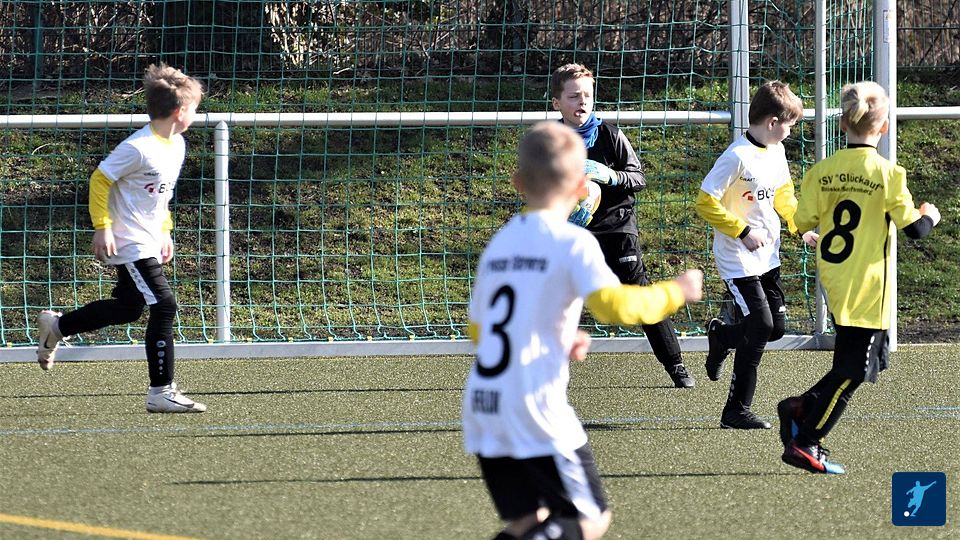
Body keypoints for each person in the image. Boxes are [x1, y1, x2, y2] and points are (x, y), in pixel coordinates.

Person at [462, 121, 703, 540]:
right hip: (534, 406)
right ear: (582, 188)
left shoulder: (500, 243)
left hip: (484, 403)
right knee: (589, 520)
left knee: (527, 521)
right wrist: (675, 292)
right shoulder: (573, 242)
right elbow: (615, 307)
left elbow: (478, 328)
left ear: (518, 183)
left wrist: (550, 336)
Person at [779, 81, 941, 473]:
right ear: (884, 127)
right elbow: (915, 229)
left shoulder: (822, 171)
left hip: (836, 281)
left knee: (864, 362)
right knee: (853, 372)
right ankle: (806, 440)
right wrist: (931, 215)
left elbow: (803, 220)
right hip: (868, 287)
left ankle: (799, 407)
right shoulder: (888, 174)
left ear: (842, 124)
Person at [35, 63, 207, 414]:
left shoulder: (177, 144)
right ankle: (161, 391)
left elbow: (160, 196)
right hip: (129, 242)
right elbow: (100, 180)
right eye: (194, 108)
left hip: (149, 239)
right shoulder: (138, 147)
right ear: (179, 111)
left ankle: (58, 326)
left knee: (129, 308)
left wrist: (165, 229)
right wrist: (103, 227)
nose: (196, 114)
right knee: (164, 305)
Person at [552, 63, 696, 389]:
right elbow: (538, 186)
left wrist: (611, 176)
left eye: (587, 96)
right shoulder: (549, 141)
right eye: (573, 96)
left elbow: (638, 178)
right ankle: (542, 369)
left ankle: (675, 365)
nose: (582, 102)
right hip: (573, 232)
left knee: (640, 292)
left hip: (617, 228)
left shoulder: (611, 135)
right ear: (557, 103)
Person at [695, 81, 818, 429]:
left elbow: (784, 195)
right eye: (789, 125)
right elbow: (705, 202)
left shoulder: (776, 151)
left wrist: (800, 228)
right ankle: (735, 410)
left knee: (774, 328)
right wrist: (743, 232)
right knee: (760, 326)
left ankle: (722, 337)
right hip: (738, 258)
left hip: (768, 256)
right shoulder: (736, 157)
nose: (791, 132)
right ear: (772, 122)